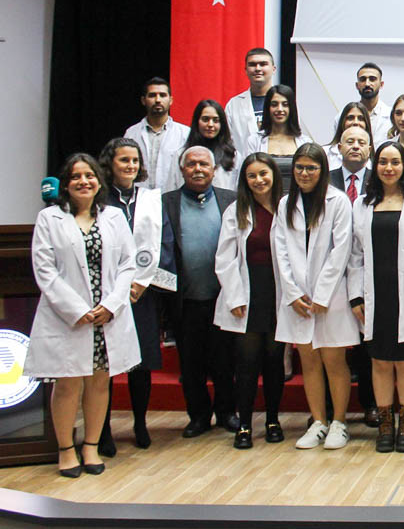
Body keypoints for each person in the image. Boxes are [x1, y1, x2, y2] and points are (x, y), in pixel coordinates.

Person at [27, 153, 139, 477]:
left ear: (99, 181)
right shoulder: (50, 218)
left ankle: (90, 446)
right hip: (69, 318)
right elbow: (45, 271)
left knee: (100, 382)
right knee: (67, 385)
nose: (83, 181)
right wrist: (78, 310)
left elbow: (127, 265)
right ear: (65, 184)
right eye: (75, 176)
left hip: (107, 317)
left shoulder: (114, 217)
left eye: (89, 175)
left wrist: (112, 304)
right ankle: (66, 448)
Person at [347, 141, 404, 453]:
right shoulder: (362, 204)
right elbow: (355, 255)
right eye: (383, 162)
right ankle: (385, 423)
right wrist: (355, 297)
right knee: (380, 362)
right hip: (375, 296)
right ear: (376, 166)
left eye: (395, 162)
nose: (389, 168)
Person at [273, 143, 357, 451]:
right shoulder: (285, 205)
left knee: (334, 360)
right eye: (299, 167)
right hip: (297, 298)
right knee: (307, 360)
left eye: (311, 168)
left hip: (330, 298)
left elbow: (341, 250)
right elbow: (279, 251)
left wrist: (322, 294)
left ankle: (339, 422)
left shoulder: (337, 202)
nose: (304, 173)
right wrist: (293, 293)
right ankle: (318, 421)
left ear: (322, 171)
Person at [96, 138, 169, 455]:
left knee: (141, 365)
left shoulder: (151, 199)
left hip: (143, 293)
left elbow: (162, 241)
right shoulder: (98, 199)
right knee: (107, 364)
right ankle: (103, 429)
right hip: (106, 292)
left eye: (135, 161)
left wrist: (142, 282)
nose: (130, 166)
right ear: (110, 163)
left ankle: (140, 423)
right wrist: (118, 288)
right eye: (123, 160)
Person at [162, 146, 237, 437]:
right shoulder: (166, 203)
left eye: (203, 164)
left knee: (224, 360)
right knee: (190, 363)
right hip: (185, 299)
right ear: (182, 170)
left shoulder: (229, 200)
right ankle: (198, 416)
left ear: (214, 169)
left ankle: (227, 412)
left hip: (223, 297)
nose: (198, 169)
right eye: (191, 164)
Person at [214, 154, 286, 449]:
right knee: (247, 362)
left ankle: (272, 420)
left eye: (264, 174)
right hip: (247, 292)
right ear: (245, 179)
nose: (259, 180)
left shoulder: (286, 207)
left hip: (278, 292)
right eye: (252, 175)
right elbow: (225, 258)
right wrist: (233, 297)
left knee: (274, 361)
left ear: (274, 175)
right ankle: (244, 424)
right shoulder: (236, 210)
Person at [327, 124, 378, 429]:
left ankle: (370, 404)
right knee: (330, 344)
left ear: (369, 149)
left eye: (362, 142)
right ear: (339, 147)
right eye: (350, 141)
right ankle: (332, 410)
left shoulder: (379, 179)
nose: (356, 146)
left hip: (366, 271)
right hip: (329, 273)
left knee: (366, 343)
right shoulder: (326, 179)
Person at [124, 77, 190, 191]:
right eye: (152, 95)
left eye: (163, 95)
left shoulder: (185, 133)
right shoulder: (131, 133)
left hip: (172, 198)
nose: (158, 100)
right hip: (139, 198)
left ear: (171, 100)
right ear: (143, 100)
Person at [247, 85, 313, 194]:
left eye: (285, 104)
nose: (280, 109)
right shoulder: (254, 141)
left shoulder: (305, 142)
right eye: (274, 104)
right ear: (267, 108)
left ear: (292, 108)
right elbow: (249, 175)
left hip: (297, 203)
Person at [163, 100, 239, 191]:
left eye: (216, 120)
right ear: (197, 122)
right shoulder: (181, 155)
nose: (210, 124)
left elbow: (239, 192)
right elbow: (171, 191)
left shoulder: (233, 155)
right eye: (205, 119)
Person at [225, 48, 277, 158]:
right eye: (253, 64)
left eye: (263, 64)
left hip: (278, 168)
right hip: (244, 168)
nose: (258, 68)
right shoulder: (234, 104)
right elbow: (226, 143)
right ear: (246, 70)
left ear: (273, 69)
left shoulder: (285, 103)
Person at [323, 101, 373, 172]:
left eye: (361, 119)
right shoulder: (325, 153)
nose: (355, 122)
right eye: (350, 118)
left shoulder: (376, 158)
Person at [354, 63, 391, 140]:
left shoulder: (391, 116)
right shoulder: (343, 116)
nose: (367, 84)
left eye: (372, 79)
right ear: (357, 85)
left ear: (381, 84)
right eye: (363, 79)